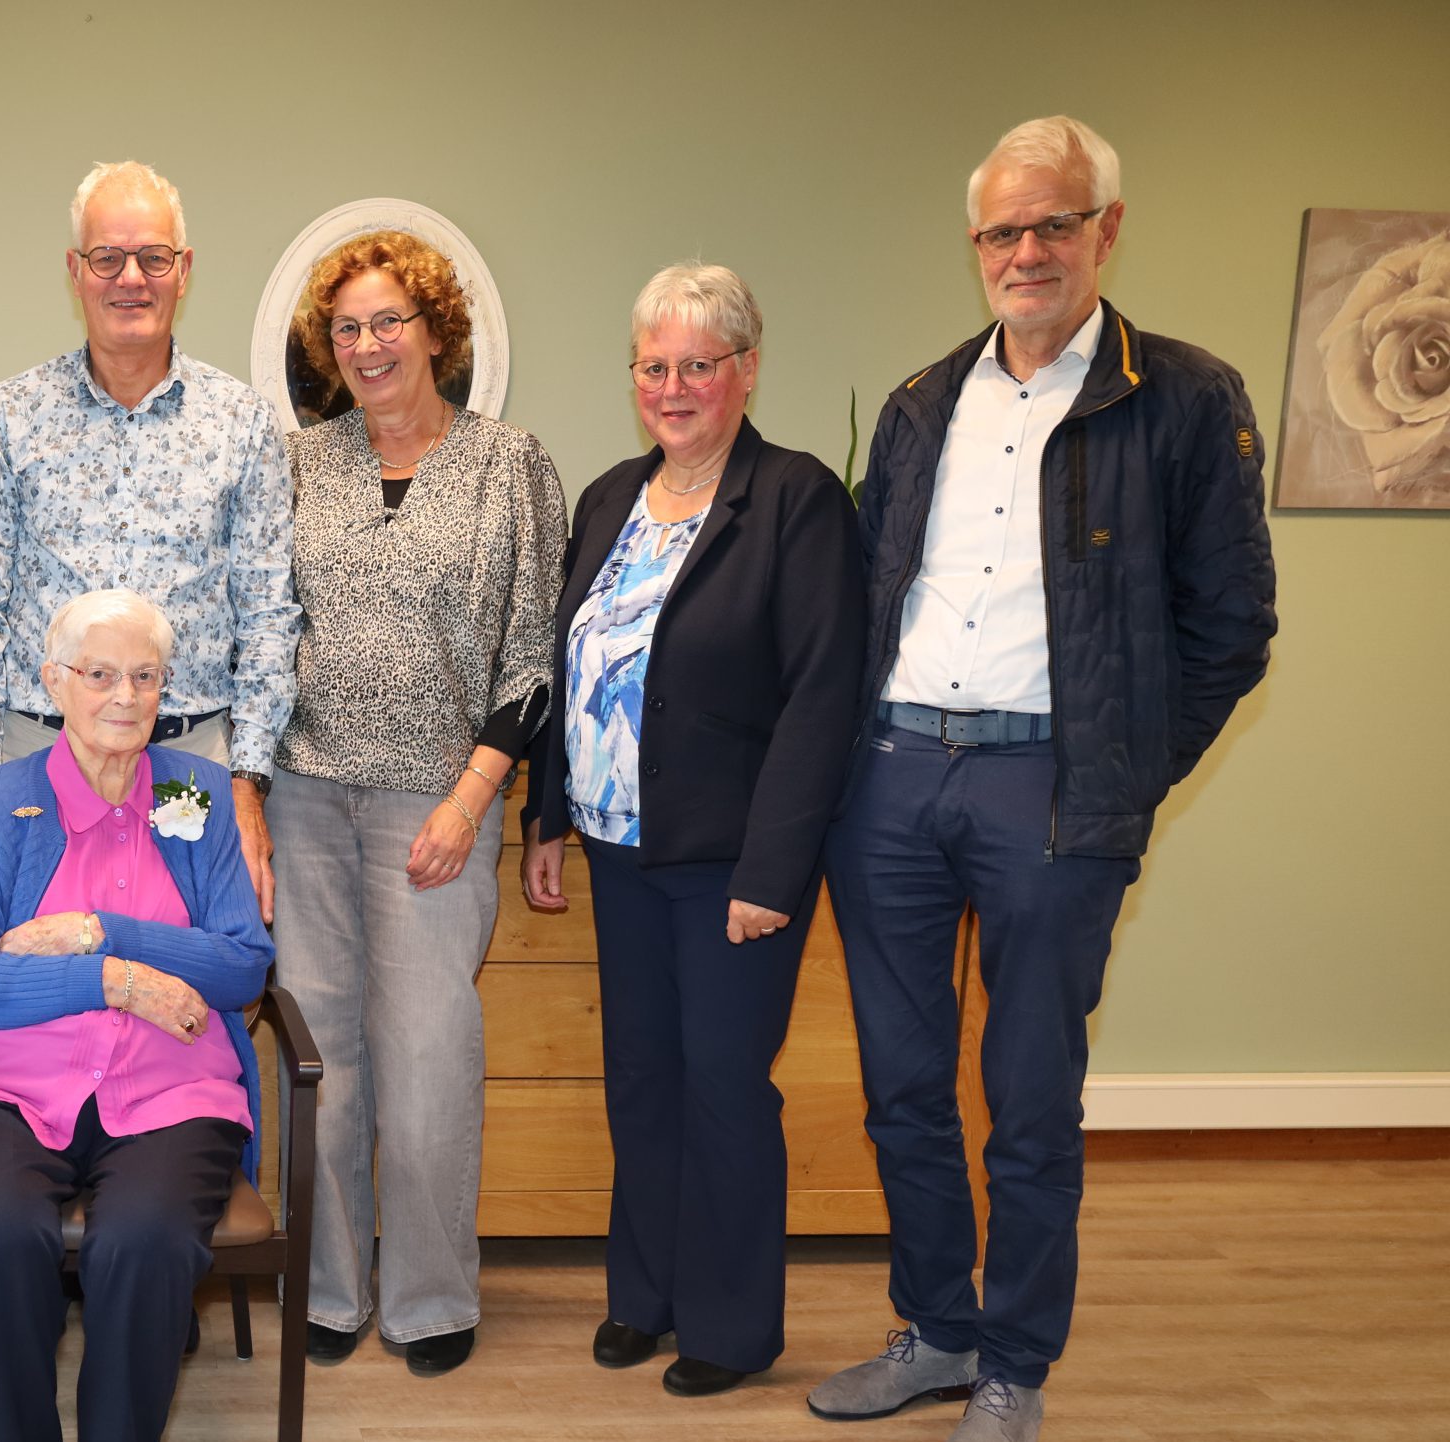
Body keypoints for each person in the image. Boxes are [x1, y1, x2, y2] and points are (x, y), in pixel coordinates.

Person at [808, 117, 1276, 1442]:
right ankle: (936, 1331)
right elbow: (870, 592)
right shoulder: (921, 402)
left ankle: (1013, 1363)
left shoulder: (1183, 397)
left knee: (1027, 1098)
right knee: (902, 1086)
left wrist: (1119, 769)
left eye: (1053, 224)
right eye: (1002, 231)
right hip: (891, 779)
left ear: (1104, 231)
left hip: (1052, 793)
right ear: (976, 245)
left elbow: (1232, 627)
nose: (1027, 251)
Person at [521, 263, 866, 1397]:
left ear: (746, 370)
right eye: (653, 367)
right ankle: (646, 1293)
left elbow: (822, 694)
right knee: (641, 1078)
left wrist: (774, 868)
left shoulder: (796, 499)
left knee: (723, 1084)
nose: (672, 388)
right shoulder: (611, 496)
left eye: (697, 366)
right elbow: (571, 665)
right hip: (620, 850)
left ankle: (729, 1323)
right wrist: (549, 812)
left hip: (733, 863)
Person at [268, 230, 565, 1376]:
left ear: (434, 330)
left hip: (437, 802)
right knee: (321, 1055)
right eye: (346, 327)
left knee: (429, 1054)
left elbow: (532, 651)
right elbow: (264, 631)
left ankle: (433, 1296)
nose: (367, 344)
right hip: (303, 793)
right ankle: (329, 1287)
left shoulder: (509, 464)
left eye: (388, 320)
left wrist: (472, 794)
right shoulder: (301, 463)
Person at [0, 590, 273, 1442]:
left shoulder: (196, 793)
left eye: (145, 677)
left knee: (145, 1239)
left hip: (172, 1088)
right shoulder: (2, 803)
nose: (124, 695)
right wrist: (110, 981)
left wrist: (102, 934)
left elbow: (242, 965)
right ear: (55, 682)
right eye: (100, 674)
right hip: (14, 1084)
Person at [0, 159, 299, 923]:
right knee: (37, 973)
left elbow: (268, 615)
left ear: (185, 270)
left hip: (188, 763)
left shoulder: (242, 423)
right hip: (36, 757)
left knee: (187, 976)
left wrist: (247, 782)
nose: (131, 279)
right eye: (108, 258)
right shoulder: (10, 416)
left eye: (153, 257)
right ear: (76, 271)